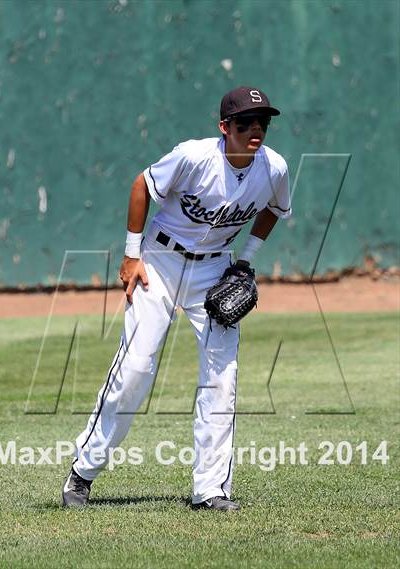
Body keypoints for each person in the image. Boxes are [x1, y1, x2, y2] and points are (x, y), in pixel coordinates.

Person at [62, 86, 291, 511]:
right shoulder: (193, 157)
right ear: (225, 127)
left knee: (222, 379)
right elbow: (141, 186)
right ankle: (83, 472)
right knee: (134, 369)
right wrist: (131, 256)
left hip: (215, 270)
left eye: (263, 121)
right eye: (245, 122)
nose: (256, 128)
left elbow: (275, 210)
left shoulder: (273, 168)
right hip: (160, 262)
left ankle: (211, 490)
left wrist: (245, 262)